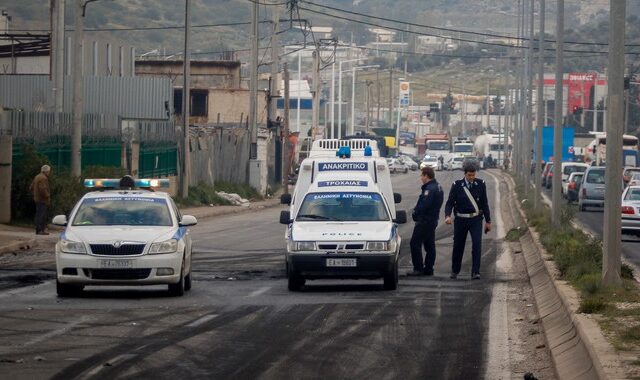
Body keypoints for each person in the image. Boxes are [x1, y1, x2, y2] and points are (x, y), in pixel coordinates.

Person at [444, 161, 492, 279]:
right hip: (461, 220)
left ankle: (475, 271)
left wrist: (488, 221)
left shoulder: (481, 184)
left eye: (473, 175)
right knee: (458, 246)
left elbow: (484, 203)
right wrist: (447, 216)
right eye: (469, 175)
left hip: (475, 219)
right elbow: (450, 202)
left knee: (477, 245)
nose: (472, 178)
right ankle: (455, 271)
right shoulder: (457, 185)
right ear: (465, 174)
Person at [408, 166, 444, 276]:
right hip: (432, 220)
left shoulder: (429, 189)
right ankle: (429, 268)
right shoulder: (438, 187)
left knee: (414, 243)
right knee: (429, 245)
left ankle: (418, 268)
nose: (421, 178)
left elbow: (424, 205)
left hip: (425, 221)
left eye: (422, 175)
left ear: (426, 176)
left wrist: (415, 213)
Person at [29, 165, 52, 235]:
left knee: (38, 214)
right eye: (49, 171)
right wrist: (47, 195)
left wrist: (35, 194)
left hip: (37, 198)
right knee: (42, 215)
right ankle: (41, 230)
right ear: (46, 171)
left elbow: (31, 187)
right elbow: (43, 189)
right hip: (42, 199)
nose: (49, 173)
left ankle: (38, 229)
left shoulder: (37, 177)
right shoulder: (43, 178)